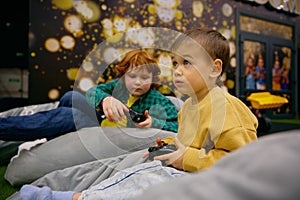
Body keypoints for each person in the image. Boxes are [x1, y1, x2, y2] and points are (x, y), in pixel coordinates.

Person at [17, 27, 258, 200]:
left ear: (215, 68)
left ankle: (70, 196)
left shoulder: (226, 107)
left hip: (195, 180)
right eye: (175, 63)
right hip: (168, 164)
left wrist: (183, 155)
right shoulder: (189, 106)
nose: (178, 71)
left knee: (142, 183)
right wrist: (162, 146)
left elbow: (240, 165)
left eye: (187, 63)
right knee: (131, 172)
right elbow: (184, 142)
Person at [0, 49, 178, 141]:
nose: (138, 82)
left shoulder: (159, 100)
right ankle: (54, 135)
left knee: (70, 116)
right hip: (100, 119)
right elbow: (93, 91)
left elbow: (177, 126)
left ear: (153, 78)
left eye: (144, 77)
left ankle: (5, 128)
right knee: (71, 96)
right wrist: (106, 99)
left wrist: (154, 122)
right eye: (132, 76)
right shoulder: (118, 86)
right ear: (123, 75)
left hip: (111, 134)